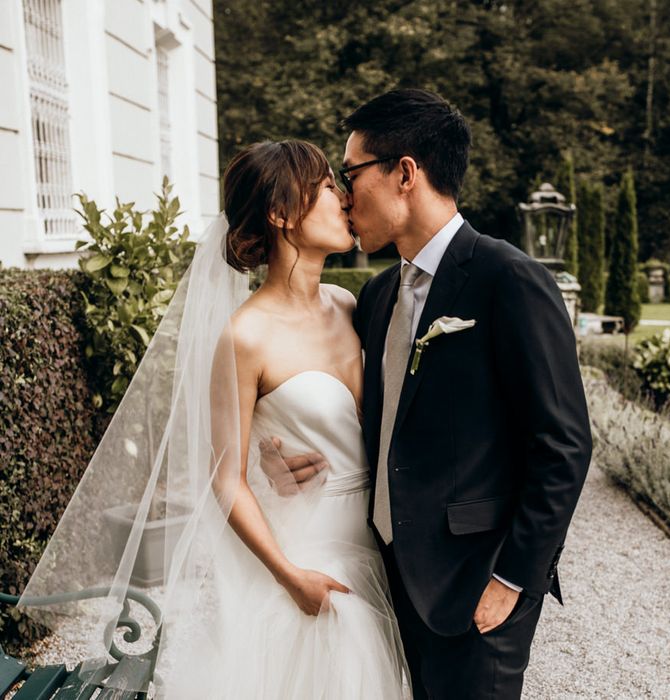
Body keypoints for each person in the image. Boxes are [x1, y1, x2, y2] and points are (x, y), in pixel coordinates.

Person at [19, 140, 409, 699]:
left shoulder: (349, 305)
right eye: (326, 187)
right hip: (306, 556)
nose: (343, 197)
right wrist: (289, 576)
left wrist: (274, 456)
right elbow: (223, 478)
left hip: (377, 545)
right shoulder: (244, 337)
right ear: (281, 215)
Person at [279, 89, 593, 699]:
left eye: (350, 174)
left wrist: (513, 578)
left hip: (478, 584)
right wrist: (286, 451)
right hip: (389, 583)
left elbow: (564, 445)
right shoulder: (374, 300)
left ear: (404, 174)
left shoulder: (509, 279)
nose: (343, 196)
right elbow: (371, 423)